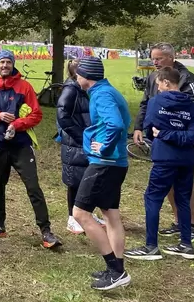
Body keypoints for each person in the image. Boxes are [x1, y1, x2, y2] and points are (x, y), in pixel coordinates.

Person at [0, 49, 61, 249]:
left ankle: (46, 231)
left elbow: (36, 114)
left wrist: (17, 124)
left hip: (21, 145)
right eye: (1, 62)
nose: (5, 66)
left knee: (33, 186)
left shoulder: (25, 87)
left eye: (8, 62)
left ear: (13, 65)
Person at [125, 67, 194, 261]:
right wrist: (178, 135)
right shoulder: (193, 107)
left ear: (167, 82)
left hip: (165, 158)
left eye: (159, 84)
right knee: (183, 198)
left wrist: (165, 134)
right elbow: (192, 136)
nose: (157, 88)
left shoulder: (155, 102)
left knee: (152, 198)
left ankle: (151, 246)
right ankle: (186, 243)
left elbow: (150, 130)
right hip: (186, 159)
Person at [71, 57, 131, 291]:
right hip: (116, 162)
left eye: (78, 74)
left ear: (86, 76)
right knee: (110, 214)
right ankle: (117, 268)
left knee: (80, 214)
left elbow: (116, 124)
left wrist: (104, 146)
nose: (76, 78)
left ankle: (116, 271)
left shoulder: (101, 94)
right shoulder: (107, 90)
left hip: (105, 162)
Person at [57, 60, 106, 235]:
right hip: (75, 142)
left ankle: (87, 214)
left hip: (86, 139)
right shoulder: (71, 90)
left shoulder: (86, 90)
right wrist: (81, 137)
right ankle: (72, 217)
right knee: (74, 180)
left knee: (87, 179)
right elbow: (63, 116)